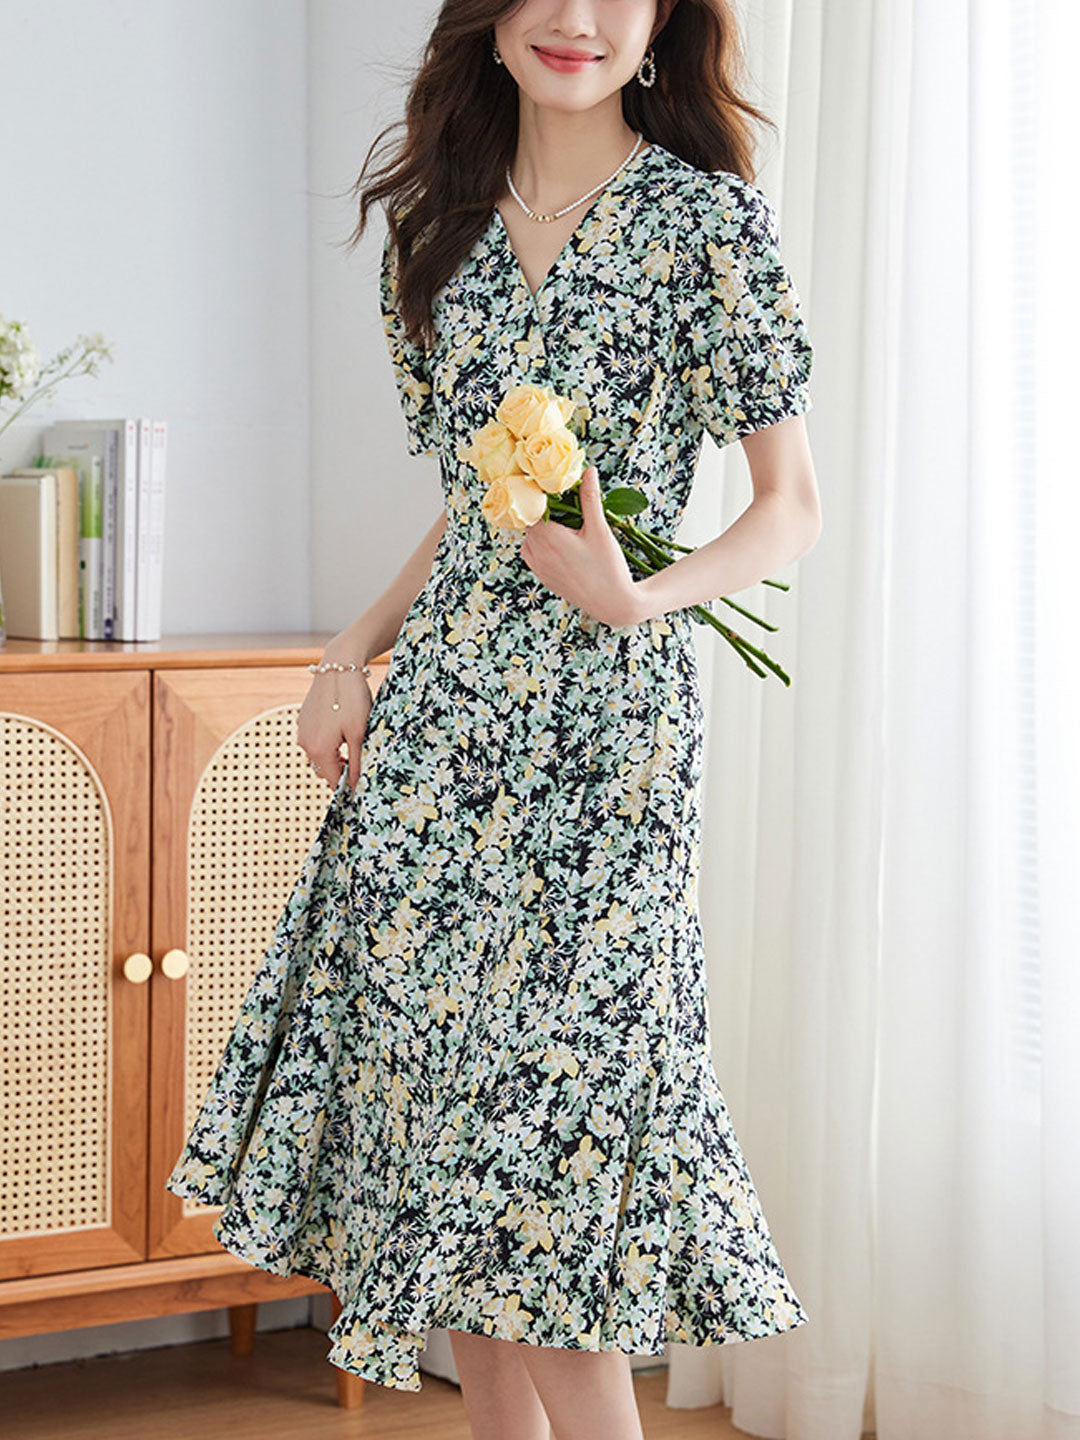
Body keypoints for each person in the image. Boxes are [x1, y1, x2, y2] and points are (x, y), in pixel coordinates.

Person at [165, 1, 822, 1437]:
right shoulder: (438, 228)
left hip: (606, 742)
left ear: (661, 20)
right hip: (440, 733)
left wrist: (641, 598)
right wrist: (351, 648)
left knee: (551, 1182)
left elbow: (791, 509)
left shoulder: (707, 223)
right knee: (453, 1179)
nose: (575, 19)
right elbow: (477, 512)